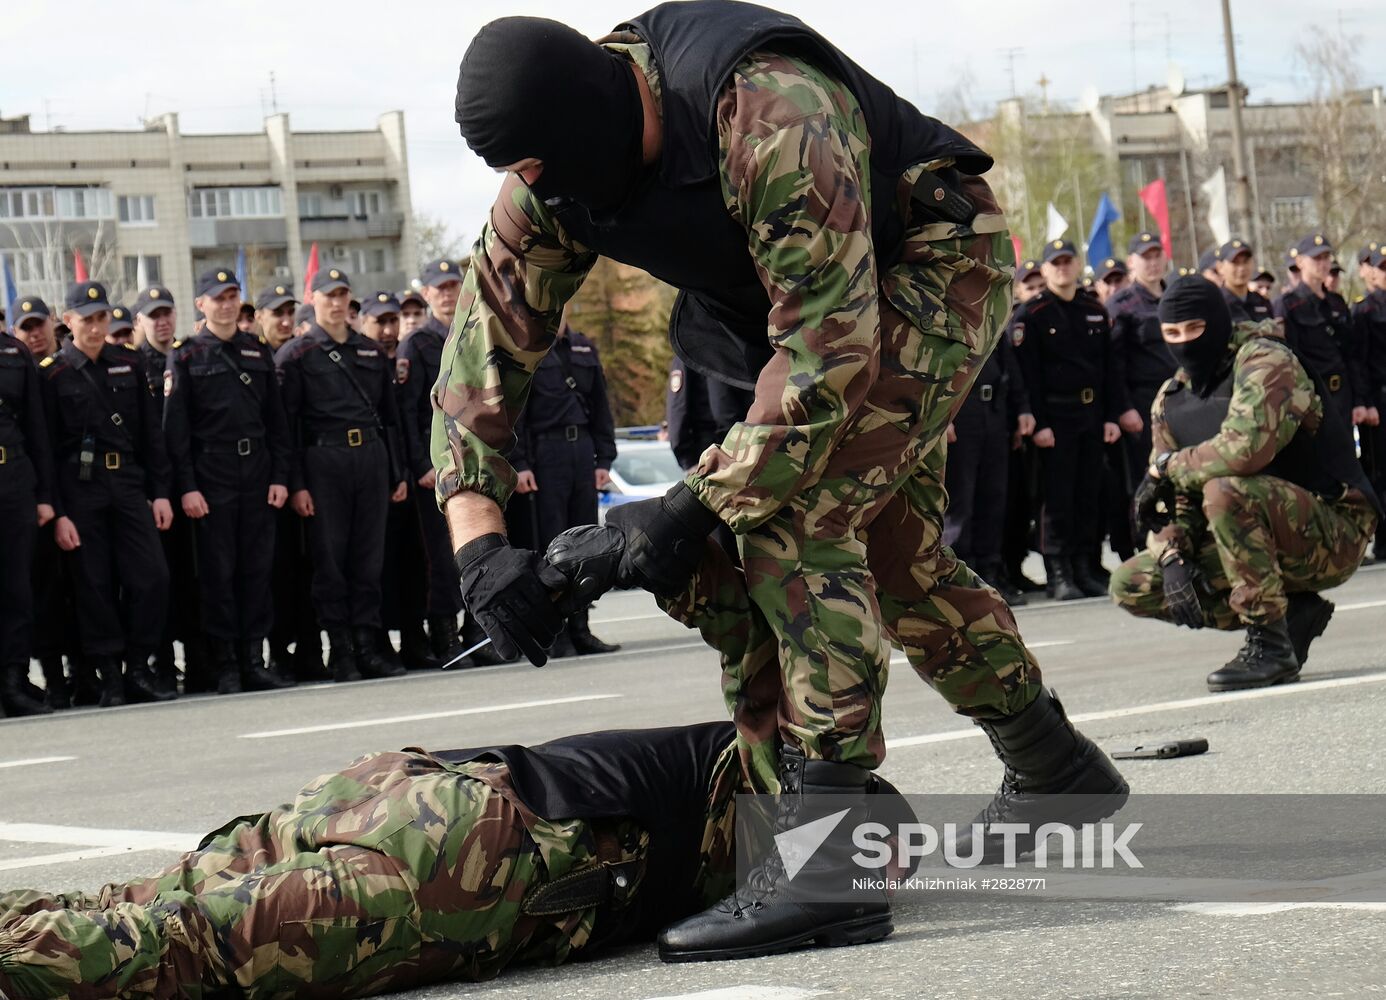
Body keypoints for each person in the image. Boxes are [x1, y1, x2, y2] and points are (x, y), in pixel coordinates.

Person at [444, 4, 1126, 959]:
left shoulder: (770, 112)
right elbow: (483, 357)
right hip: (787, 307)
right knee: (888, 549)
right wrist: (478, 546)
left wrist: (684, 509)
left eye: (540, 171)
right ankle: (1057, 769)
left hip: (928, 263)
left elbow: (824, 367)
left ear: (593, 123)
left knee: (790, 515)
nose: (531, 193)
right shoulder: (544, 178)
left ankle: (830, 869)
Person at [0, 720, 745, 998]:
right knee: (177, 947)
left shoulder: (747, 732)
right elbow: (847, 875)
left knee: (122, 900)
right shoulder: (827, 813)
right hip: (461, 867)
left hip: (408, 783)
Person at [1110, 276, 1381, 690]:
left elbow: (1243, 451)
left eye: (1194, 330)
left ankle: (1270, 645)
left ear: (1217, 323)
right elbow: (1173, 498)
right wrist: (1172, 554)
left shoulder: (1267, 362)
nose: (1184, 343)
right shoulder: (1171, 397)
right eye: (1172, 333)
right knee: (1131, 583)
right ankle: (1291, 615)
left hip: (1334, 530)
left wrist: (1165, 468)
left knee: (1227, 490)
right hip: (1253, 532)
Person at [37, 281, 174, 707]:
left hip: (129, 486)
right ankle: (110, 674)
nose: (96, 328)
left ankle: (137, 664)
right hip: (81, 491)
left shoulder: (127, 365)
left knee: (152, 577)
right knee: (93, 586)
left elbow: (152, 434)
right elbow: (46, 449)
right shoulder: (53, 373)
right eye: (87, 319)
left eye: (102, 318)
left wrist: (160, 492)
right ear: (68, 321)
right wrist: (59, 511)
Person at [163, 268, 295, 695]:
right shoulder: (185, 355)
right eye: (216, 297)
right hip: (211, 475)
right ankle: (225, 665)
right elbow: (175, 431)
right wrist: (187, 486)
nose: (225, 304)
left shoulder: (256, 350)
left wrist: (279, 476)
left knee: (257, 570)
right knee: (219, 573)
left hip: (256, 472)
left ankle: (253, 660)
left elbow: (277, 422)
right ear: (201, 304)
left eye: (232, 295)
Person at [275, 268, 408, 682]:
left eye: (343, 294)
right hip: (323, 461)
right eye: (328, 295)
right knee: (329, 562)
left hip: (369, 458)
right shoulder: (296, 355)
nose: (336, 303)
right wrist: (296, 483)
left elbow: (391, 418)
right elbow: (286, 427)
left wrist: (396, 470)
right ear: (312, 299)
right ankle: (341, 651)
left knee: (368, 559)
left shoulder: (368, 351)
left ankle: (367, 646)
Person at [1011, 239, 1129, 599]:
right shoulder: (1032, 314)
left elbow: (1108, 370)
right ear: (1044, 270)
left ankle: (1083, 565)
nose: (1062, 268)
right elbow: (1028, 374)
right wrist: (1040, 422)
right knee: (1056, 498)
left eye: (1068, 261)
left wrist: (1111, 415)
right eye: (1055, 263)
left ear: (1077, 265)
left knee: (1087, 494)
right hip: (1055, 417)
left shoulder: (1093, 310)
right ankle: (1059, 569)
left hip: (1091, 414)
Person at [510, 316, 621, 657]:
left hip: (582, 451)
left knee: (585, 545)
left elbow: (601, 406)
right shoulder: (526, 348)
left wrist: (604, 459)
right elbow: (518, 413)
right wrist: (522, 463)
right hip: (546, 455)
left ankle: (581, 627)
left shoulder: (583, 347)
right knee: (552, 547)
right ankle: (555, 632)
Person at [359, 291, 438, 670]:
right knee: (377, 566)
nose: (389, 331)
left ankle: (413, 638)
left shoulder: (401, 362)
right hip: (376, 477)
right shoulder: (363, 361)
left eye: (394, 322)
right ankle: (376, 644)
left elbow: (407, 421)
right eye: (381, 322)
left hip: (407, 478)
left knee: (414, 564)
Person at [397, 259, 469, 665]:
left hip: (470, 462)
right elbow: (407, 412)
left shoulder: (471, 331)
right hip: (437, 466)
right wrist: (420, 463)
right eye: (438, 288)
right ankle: (444, 637)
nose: (446, 294)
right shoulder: (418, 343)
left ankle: (473, 630)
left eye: (452, 286)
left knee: (472, 549)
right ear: (425, 294)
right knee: (440, 557)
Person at [133, 284, 197, 696]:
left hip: (188, 483)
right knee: (153, 579)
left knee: (192, 577)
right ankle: (157, 661)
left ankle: (197, 660)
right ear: (139, 321)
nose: (162, 321)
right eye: (153, 314)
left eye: (167, 312)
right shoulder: (132, 363)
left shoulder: (186, 357)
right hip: (149, 488)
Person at [942, 306, 1031, 605]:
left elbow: (1010, 365)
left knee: (993, 496)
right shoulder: (942, 310)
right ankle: (961, 579)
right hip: (961, 412)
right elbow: (933, 369)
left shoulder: (987, 311)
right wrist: (941, 416)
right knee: (961, 501)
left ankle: (990, 573)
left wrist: (1022, 409)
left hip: (994, 410)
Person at [0, 299, 57, 716]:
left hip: (15, 477)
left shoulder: (14, 352)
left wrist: (44, 496)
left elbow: (38, 428)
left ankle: (15, 680)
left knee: (17, 586)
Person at [1274, 234, 1364, 433]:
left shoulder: (1336, 302)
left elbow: (1351, 353)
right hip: (1313, 397)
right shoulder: (1288, 305)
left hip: (1343, 394)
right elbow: (1289, 358)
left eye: (1326, 257)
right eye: (1316, 258)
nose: (1323, 264)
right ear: (1300, 262)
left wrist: (1359, 400)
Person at [1352, 247, 1386, 561]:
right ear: (1372, 272)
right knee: (1379, 471)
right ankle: (1384, 539)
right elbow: (1358, 361)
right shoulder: (1363, 310)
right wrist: (1364, 401)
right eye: (1382, 268)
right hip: (1379, 399)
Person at [1214, 239, 1272, 323]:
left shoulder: (1261, 301)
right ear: (1220, 267)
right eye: (1235, 263)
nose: (1241, 268)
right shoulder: (1215, 304)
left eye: (1246, 262)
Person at [253, 283, 298, 353]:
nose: (286, 322)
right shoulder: (250, 353)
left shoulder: (305, 352)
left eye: (291, 313)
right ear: (259, 317)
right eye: (278, 314)